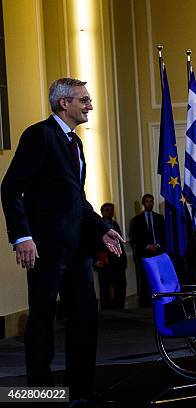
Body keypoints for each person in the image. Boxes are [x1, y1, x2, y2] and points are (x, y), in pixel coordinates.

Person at [0, 77, 124, 405]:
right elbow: (11, 187)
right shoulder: (39, 135)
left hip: (78, 250)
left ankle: (79, 395)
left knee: (85, 320)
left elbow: (77, 200)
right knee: (41, 322)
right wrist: (22, 237)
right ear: (64, 103)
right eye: (84, 100)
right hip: (45, 250)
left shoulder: (76, 143)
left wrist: (101, 229)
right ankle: (42, 397)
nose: (90, 106)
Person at [129, 194, 165, 307]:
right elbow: (134, 237)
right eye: (147, 201)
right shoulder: (136, 220)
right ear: (143, 203)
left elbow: (164, 235)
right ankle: (145, 304)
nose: (150, 203)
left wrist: (158, 245)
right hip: (144, 253)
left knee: (158, 278)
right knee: (144, 280)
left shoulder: (159, 218)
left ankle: (159, 300)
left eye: (151, 201)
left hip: (158, 253)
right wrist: (147, 246)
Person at [94, 203, 128, 309]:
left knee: (121, 286)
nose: (110, 212)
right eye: (107, 210)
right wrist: (96, 260)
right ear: (102, 212)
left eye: (111, 210)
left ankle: (120, 308)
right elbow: (95, 244)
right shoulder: (98, 226)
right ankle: (106, 312)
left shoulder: (115, 224)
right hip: (105, 261)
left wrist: (124, 258)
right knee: (105, 288)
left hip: (117, 261)